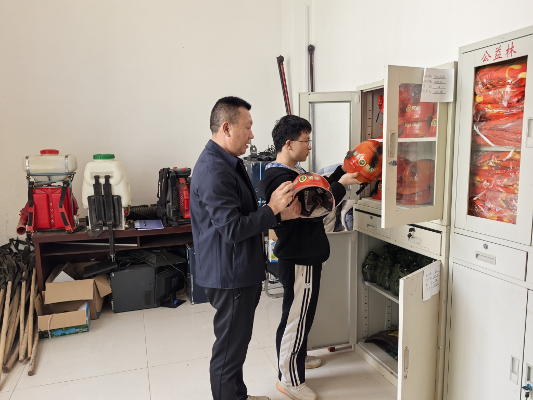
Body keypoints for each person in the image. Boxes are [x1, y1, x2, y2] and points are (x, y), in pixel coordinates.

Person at [190, 97, 301, 400]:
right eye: (248, 127)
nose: (252, 135)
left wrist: (278, 214)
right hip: (230, 275)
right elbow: (233, 229)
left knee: (236, 345)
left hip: (238, 269)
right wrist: (273, 208)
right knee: (228, 351)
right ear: (227, 128)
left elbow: (242, 215)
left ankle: (238, 395)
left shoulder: (229, 162)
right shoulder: (214, 170)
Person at [257, 115, 362, 400]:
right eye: (306, 141)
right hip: (299, 256)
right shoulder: (281, 179)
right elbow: (312, 206)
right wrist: (341, 184)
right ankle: (289, 380)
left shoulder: (292, 172)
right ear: (289, 144)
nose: (310, 146)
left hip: (304, 254)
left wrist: (342, 171)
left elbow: (319, 187)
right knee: (296, 317)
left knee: (300, 314)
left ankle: (296, 359)